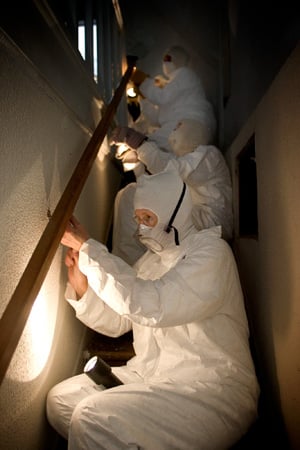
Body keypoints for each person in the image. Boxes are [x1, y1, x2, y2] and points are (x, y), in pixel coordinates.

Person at [47, 168, 259, 450]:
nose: (141, 228)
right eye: (138, 220)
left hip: (210, 389)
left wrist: (89, 250)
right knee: (60, 400)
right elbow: (120, 320)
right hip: (152, 376)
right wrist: (84, 290)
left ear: (175, 213)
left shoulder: (212, 253)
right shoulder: (151, 261)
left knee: (90, 417)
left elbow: (151, 305)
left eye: (148, 218)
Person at [111, 120, 233, 265]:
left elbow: (171, 172)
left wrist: (140, 144)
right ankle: (132, 258)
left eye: (179, 126)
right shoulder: (194, 159)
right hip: (200, 221)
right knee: (134, 198)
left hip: (211, 226)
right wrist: (139, 160)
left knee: (132, 197)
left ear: (193, 132)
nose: (175, 129)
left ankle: (128, 261)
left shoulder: (209, 156)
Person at [131, 45, 216, 152]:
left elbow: (163, 96)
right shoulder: (170, 87)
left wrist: (143, 82)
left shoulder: (186, 74)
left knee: (147, 145)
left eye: (167, 59)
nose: (164, 63)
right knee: (148, 146)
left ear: (179, 59)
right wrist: (144, 98)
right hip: (178, 125)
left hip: (192, 121)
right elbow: (155, 120)